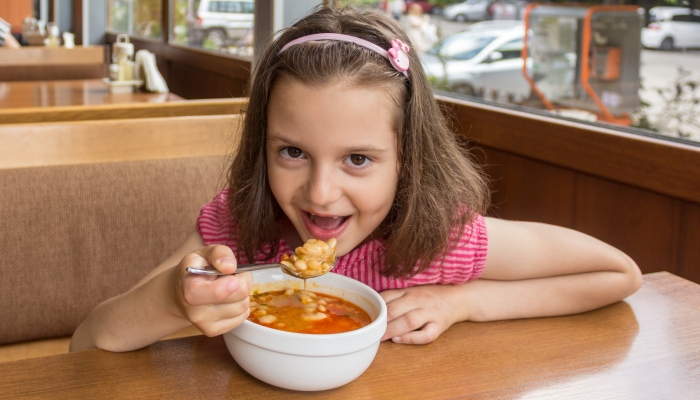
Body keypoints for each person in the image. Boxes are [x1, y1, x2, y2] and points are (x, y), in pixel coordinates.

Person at [70, 6, 641, 352]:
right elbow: (91, 341)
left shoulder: (438, 236)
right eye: (292, 151)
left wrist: (464, 302)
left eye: (358, 160)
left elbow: (617, 273)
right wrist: (174, 300)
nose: (319, 193)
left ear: (408, 160)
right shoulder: (238, 230)